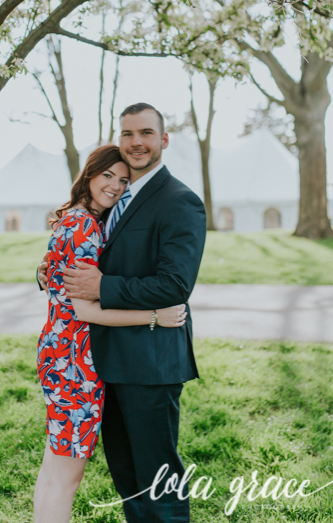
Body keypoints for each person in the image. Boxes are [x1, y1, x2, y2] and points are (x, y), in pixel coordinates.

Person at [39, 104, 205, 522]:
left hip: (151, 362)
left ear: (163, 140)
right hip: (103, 361)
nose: (136, 142)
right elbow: (84, 254)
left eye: (146, 133)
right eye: (128, 133)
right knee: (128, 478)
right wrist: (47, 272)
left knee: (158, 478)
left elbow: (174, 286)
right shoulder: (116, 197)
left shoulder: (179, 201)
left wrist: (101, 287)